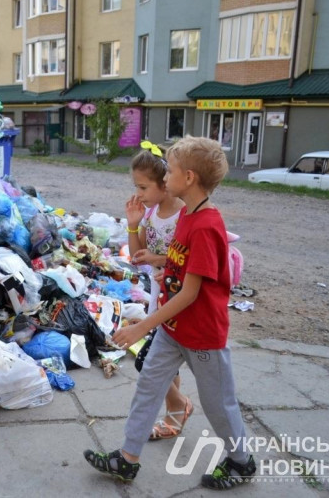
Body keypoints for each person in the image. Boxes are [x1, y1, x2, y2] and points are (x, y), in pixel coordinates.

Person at [84, 136, 255, 490]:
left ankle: (241, 460)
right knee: (147, 387)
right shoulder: (188, 217)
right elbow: (177, 272)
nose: (166, 177)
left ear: (189, 177)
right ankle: (127, 459)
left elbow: (191, 293)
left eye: (172, 171)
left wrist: (141, 327)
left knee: (217, 405)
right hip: (173, 329)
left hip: (202, 335)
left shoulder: (207, 225)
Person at [124, 141, 191, 441]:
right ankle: (174, 416)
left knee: (148, 361)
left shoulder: (184, 216)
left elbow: (190, 261)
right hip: (157, 295)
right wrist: (132, 225)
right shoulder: (150, 215)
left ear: (165, 183)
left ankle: (178, 405)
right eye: (136, 187)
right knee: (162, 360)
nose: (139, 194)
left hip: (180, 298)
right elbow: (138, 257)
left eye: (143, 187)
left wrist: (157, 259)